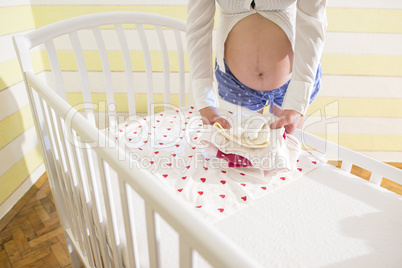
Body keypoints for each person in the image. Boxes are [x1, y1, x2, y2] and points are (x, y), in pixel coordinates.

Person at [186, 0, 328, 134]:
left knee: (286, 151)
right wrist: (205, 101)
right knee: (241, 153)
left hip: (295, 79)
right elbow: (198, 29)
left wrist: (297, 104)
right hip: (235, 84)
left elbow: (312, 24)